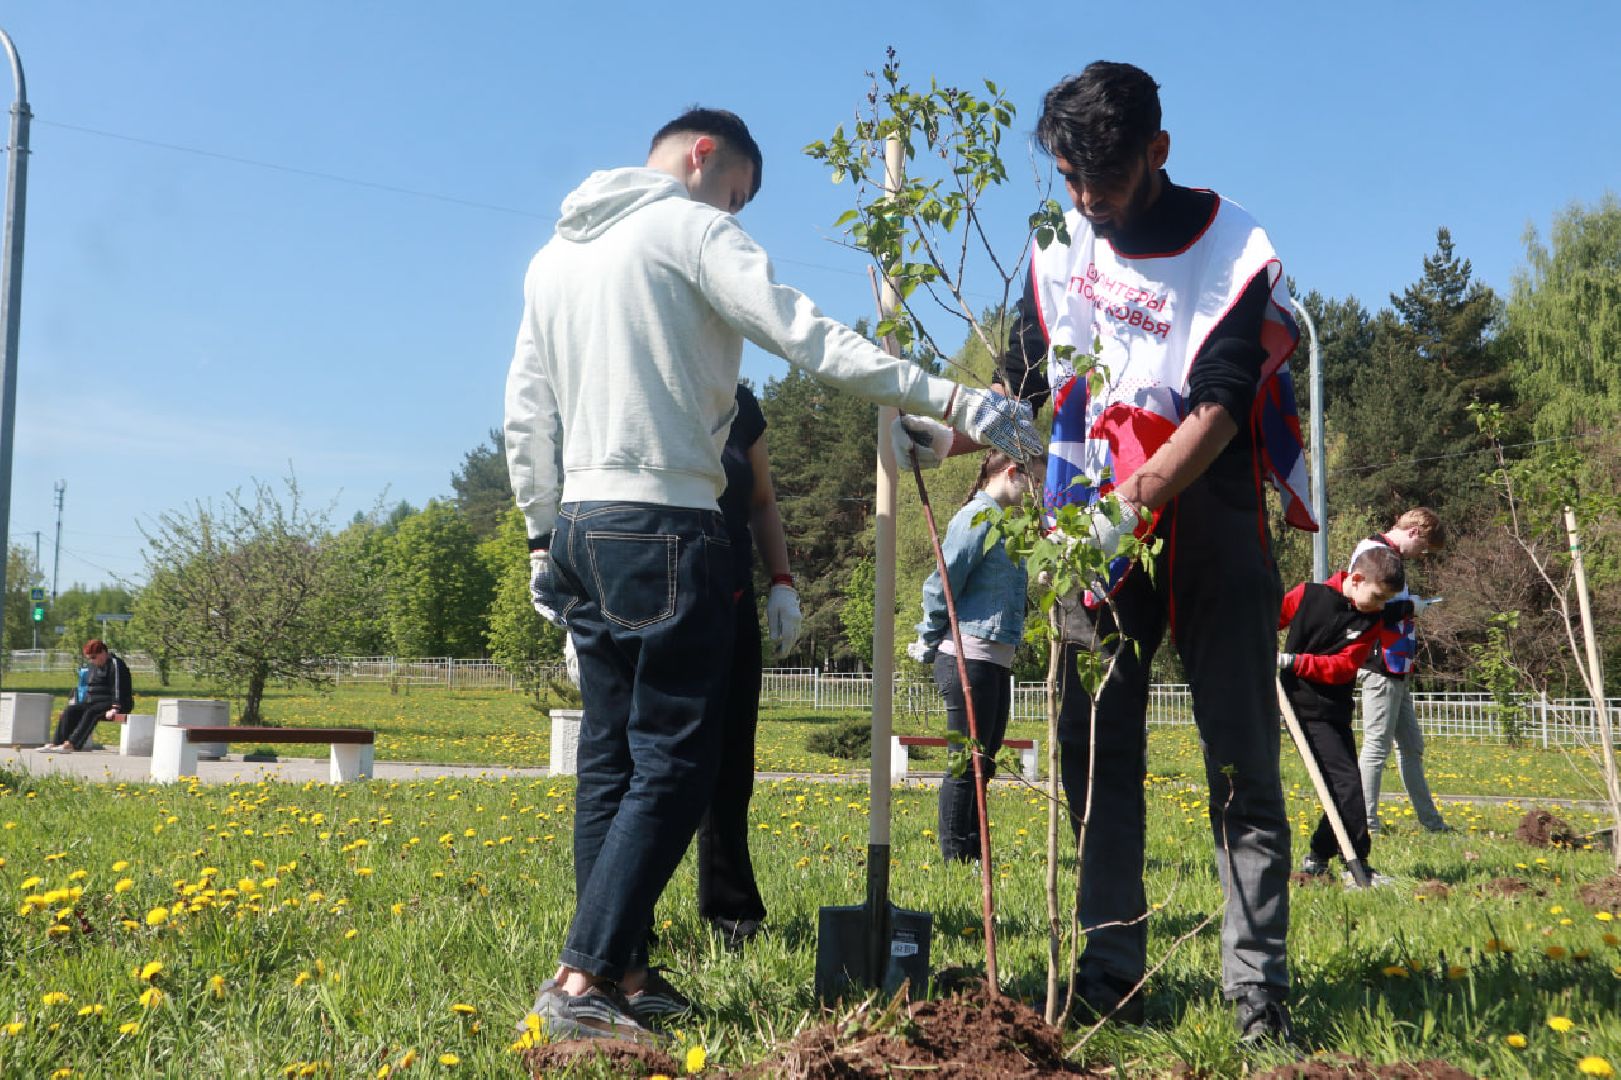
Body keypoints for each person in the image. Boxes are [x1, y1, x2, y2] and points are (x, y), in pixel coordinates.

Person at [504, 107, 1037, 1046]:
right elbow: (805, 334)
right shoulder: (688, 226)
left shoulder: (553, 258)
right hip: (667, 520)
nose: (738, 212)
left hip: (584, 525)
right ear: (703, 156)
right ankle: (581, 978)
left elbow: (525, 408)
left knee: (610, 758)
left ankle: (623, 966)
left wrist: (542, 533)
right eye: (739, 194)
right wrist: (958, 400)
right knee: (676, 758)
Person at [904, 61, 1318, 1042]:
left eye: (1107, 179)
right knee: (1095, 757)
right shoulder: (1058, 247)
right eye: (1068, 179)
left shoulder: (1232, 245)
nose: (1087, 201)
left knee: (1241, 766)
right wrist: (939, 433)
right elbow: (1023, 385)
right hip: (1088, 525)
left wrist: (1130, 504)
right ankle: (1108, 974)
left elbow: (1220, 403)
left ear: (1158, 152)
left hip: (1205, 514)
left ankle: (1255, 994)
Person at [698, 382, 800, 950]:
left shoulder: (740, 404)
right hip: (657, 590)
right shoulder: (649, 373)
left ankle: (731, 910)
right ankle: (625, 924)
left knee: (732, 761)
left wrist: (781, 582)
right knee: (651, 765)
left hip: (731, 595)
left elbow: (761, 501)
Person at [907, 450, 1035, 863]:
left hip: (995, 661)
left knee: (986, 762)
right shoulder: (975, 519)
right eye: (1031, 479)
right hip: (968, 656)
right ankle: (954, 858)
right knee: (966, 763)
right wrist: (928, 638)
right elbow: (942, 581)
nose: (1034, 490)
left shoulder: (1004, 526)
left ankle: (975, 853)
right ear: (1011, 472)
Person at [1278, 546, 1405, 886]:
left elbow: (1343, 668)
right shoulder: (1308, 595)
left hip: (1335, 709)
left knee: (1343, 787)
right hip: (1300, 708)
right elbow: (1271, 618)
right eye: (1377, 597)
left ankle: (1318, 856)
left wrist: (1292, 661)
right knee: (1347, 785)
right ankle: (1357, 866)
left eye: (1385, 601)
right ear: (1356, 578)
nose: (1380, 606)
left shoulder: (1371, 620)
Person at [1352, 507, 1450, 834]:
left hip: (1398, 666)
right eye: (1422, 548)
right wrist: (1411, 607)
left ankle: (1433, 825)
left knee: (1411, 747)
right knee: (1376, 746)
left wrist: (1411, 604)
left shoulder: (1390, 557)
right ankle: (1366, 826)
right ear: (1414, 532)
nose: (1421, 555)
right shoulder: (1373, 553)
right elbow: (1364, 608)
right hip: (1380, 664)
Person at [41, 639, 133, 753]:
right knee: (71, 710)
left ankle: (72, 744)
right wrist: (77, 701)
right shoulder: (92, 666)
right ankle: (57, 743)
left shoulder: (115, 664)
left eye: (93, 657)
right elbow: (87, 687)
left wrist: (115, 707)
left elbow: (118, 687)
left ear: (103, 652)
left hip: (115, 703)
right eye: (89, 658)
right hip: (94, 702)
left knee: (92, 712)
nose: (91, 660)